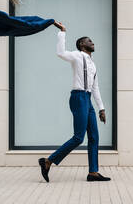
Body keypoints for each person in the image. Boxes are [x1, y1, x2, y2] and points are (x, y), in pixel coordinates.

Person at [38, 21, 111, 182]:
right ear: (82, 45)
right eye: (89, 40)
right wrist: (62, 32)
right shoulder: (77, 56)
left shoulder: (93, 64)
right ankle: (48, 161)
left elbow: (96, 87)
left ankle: (93, 172)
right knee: (79, 137)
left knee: (94, 137)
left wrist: (101, 108)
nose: (93, 42)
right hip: (78, 98)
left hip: (88, 99)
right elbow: (60, 52)